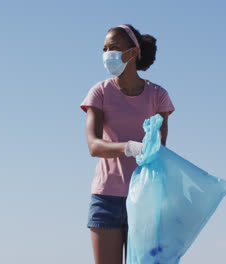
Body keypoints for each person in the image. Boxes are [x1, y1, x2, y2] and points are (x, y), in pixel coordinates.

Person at [80, 24, 175, 264]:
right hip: (106, 199)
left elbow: (159, 147)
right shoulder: (99, 92)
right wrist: (130, 147)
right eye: (104, 49)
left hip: (145, 198)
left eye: (113, 48)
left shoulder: (157, 96)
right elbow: (94, 145)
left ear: (132, 53)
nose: (107, 54)